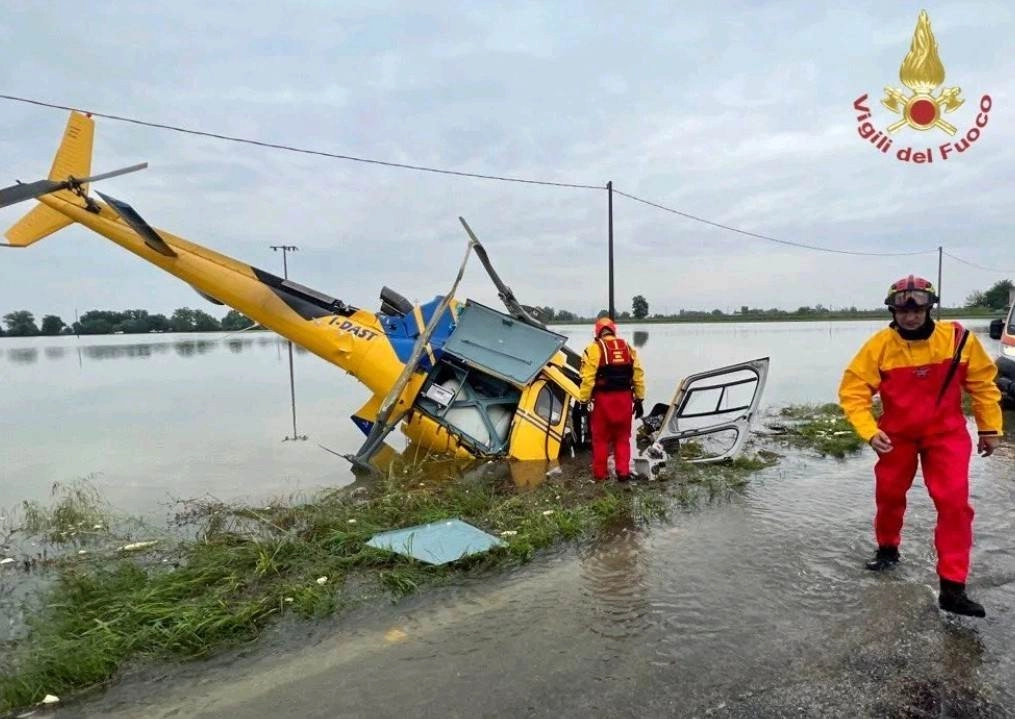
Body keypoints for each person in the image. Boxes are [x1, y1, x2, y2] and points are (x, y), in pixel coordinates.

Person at [838, 275, 1003, 618]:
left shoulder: (958, 339)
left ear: (929, 308)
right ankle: (887, 550)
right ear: (893, 311)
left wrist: (990, 428)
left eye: (918, 309)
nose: (910, 316)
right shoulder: (879, 346)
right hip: (895, 435)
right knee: (889, 494)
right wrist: (869, 431)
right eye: (902, 311)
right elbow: (853, 393)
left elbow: (983, 386)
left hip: (946, 435)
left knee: (954, 504)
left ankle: (953, 588)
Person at [578, 316, 646, 482]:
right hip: (624, 399)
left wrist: (583, 401)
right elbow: (638, 375)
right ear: (613, 330)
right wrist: (640, 399)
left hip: (603, 401)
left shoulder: (594, 349)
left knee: (600, 439)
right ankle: (623, 472)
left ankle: (600, 475)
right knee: (622, 438)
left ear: (597, 332)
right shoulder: (628, 347)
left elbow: (587, 379)